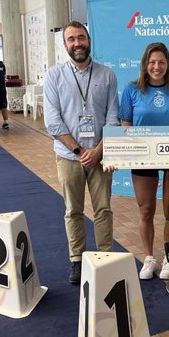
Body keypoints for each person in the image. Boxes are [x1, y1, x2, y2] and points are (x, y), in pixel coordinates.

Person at [44, 21, 119, 285]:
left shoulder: (107, 75)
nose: (77, 43)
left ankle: (105, 256)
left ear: (89, 40)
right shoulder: (54, 75)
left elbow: (112, 118)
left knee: (103, 210)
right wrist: (78, 150)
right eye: (71, 39)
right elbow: (52, 121)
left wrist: (98, 151)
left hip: (100, 156)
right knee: (73, 210)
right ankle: (76, 260)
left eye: (81, 38)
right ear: (65, 45)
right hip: (68, 156)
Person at [118, 42, 169, 281]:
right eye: (152, 62)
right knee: (146, 209)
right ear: (145, 64)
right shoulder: (131, 90)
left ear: (167, 64)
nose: (156, 66)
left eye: (161, 62)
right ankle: (149, 257)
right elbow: (125, 127)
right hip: (143, 156)